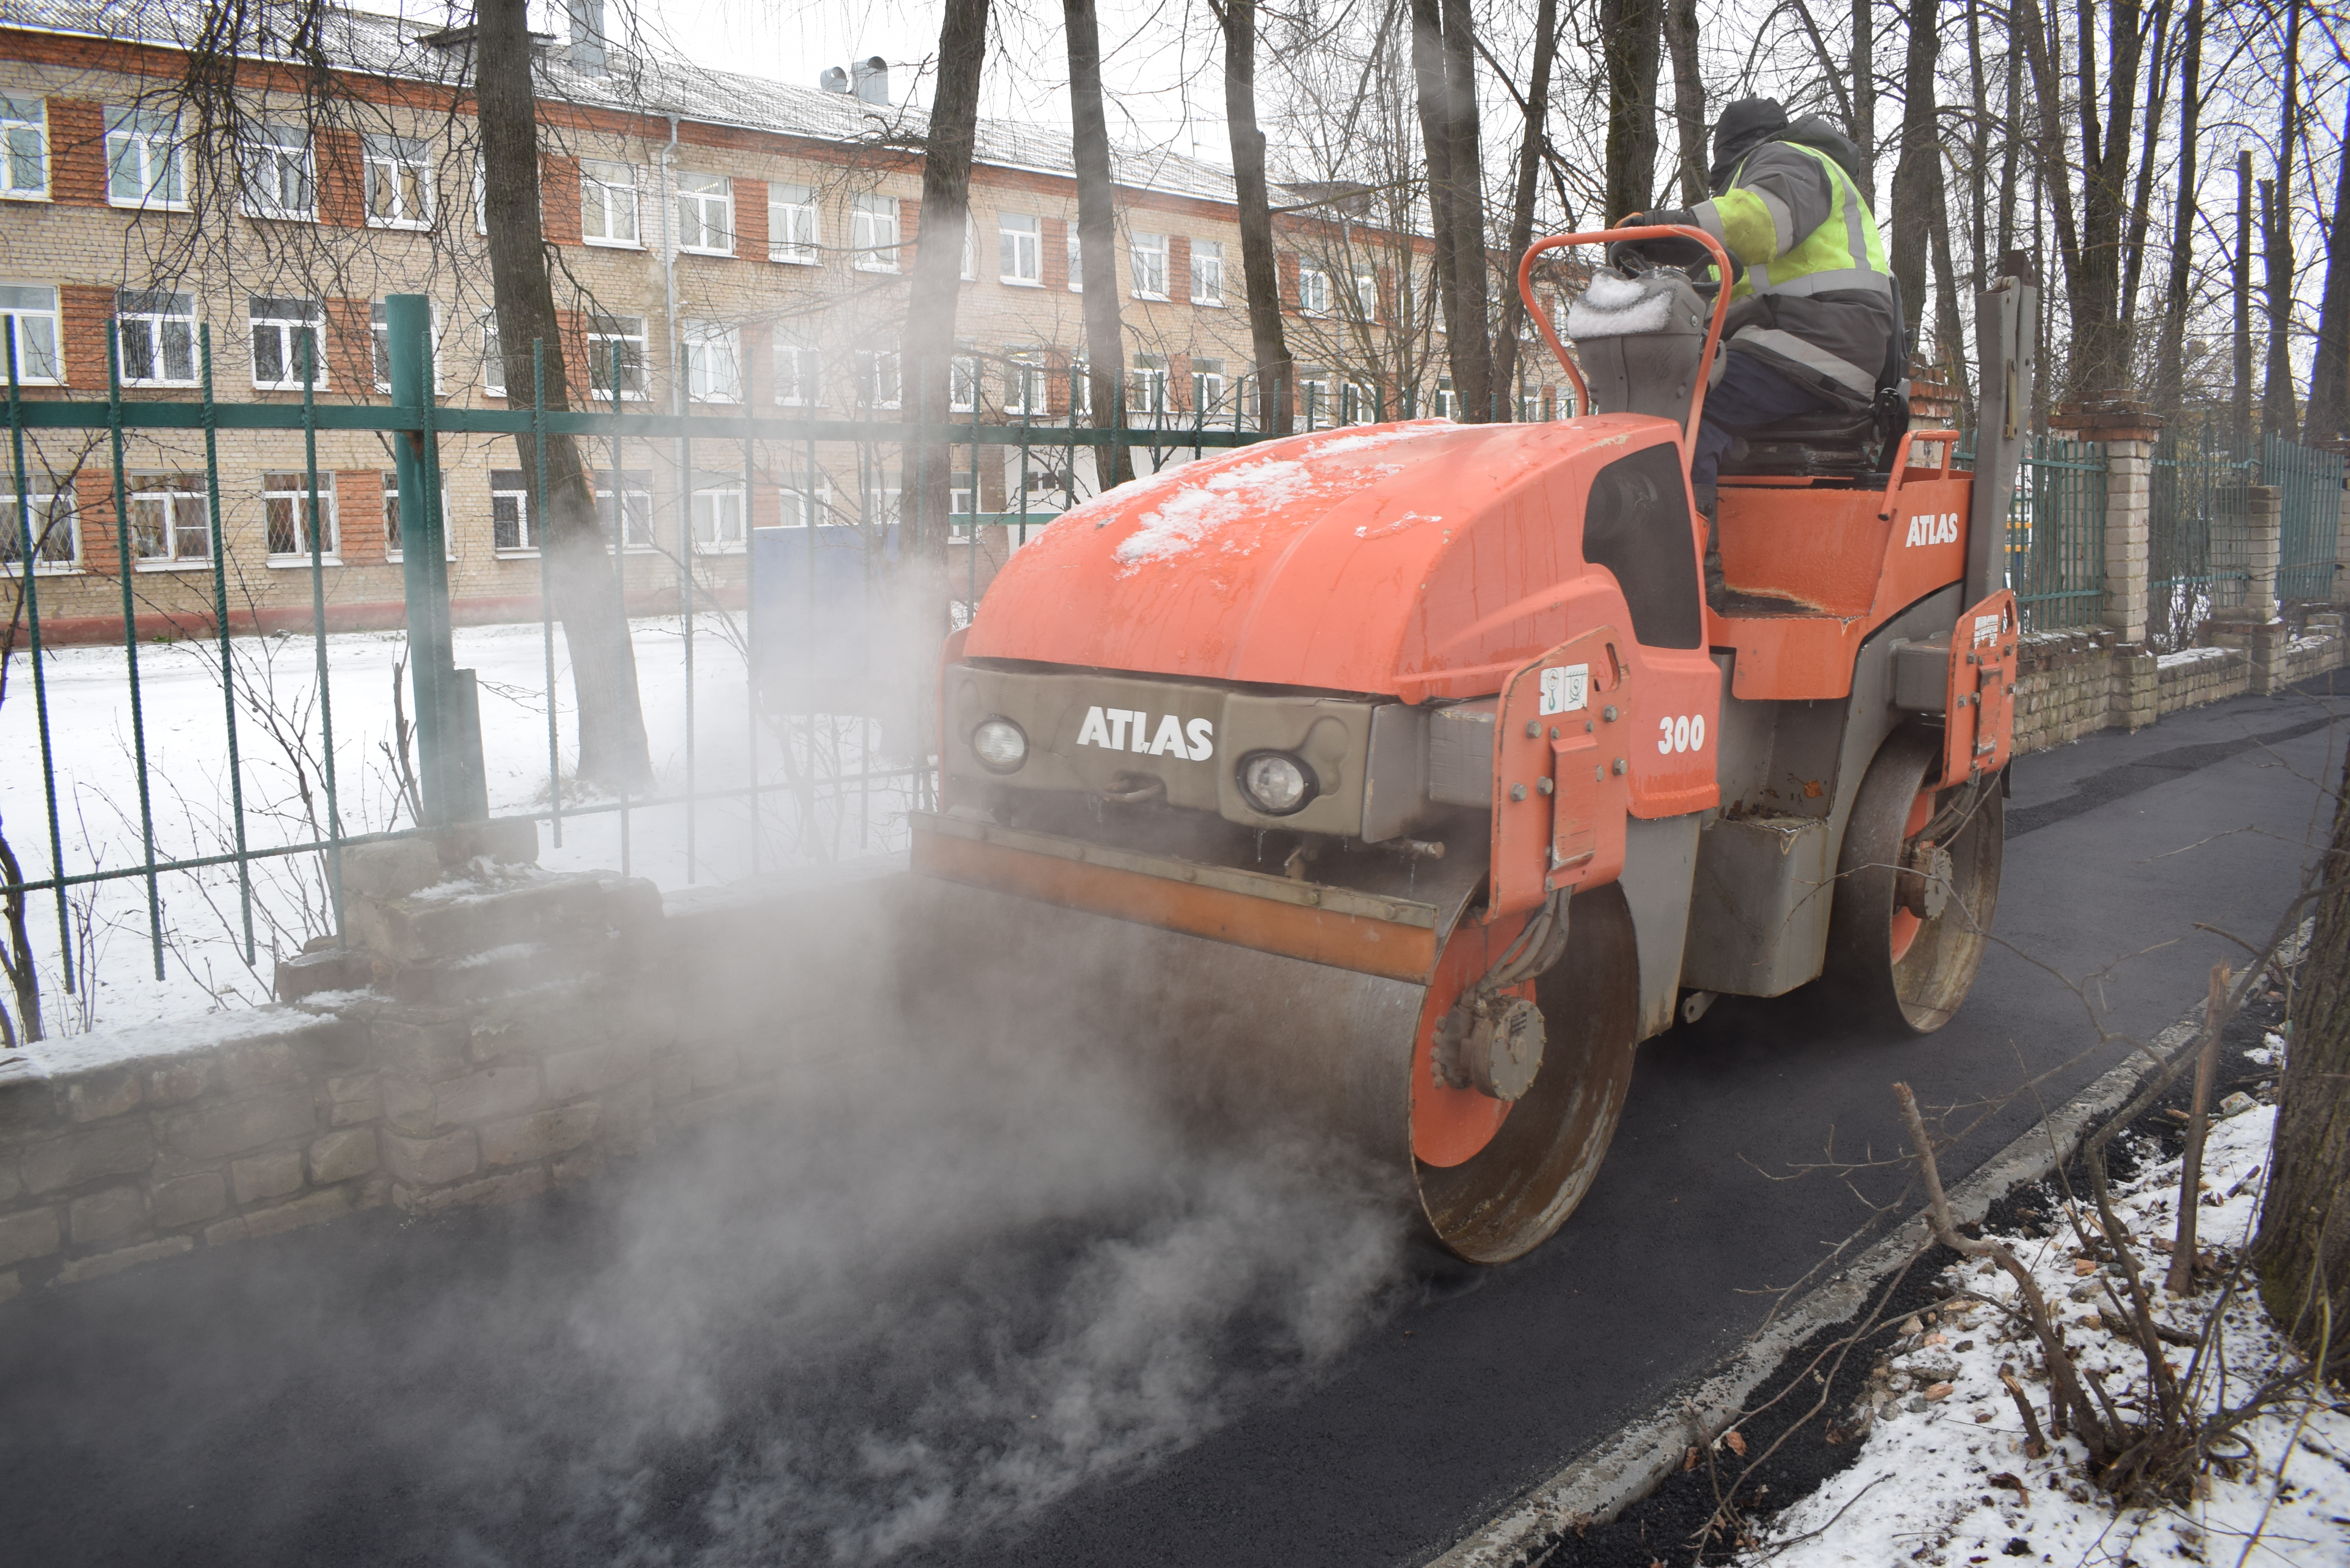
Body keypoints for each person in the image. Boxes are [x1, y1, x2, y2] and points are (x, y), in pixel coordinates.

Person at [1616, 97, 1900, 603]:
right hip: (1800, 340)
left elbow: (1756, 222)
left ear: (1732, 157)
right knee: (1676, 391)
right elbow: (1715, 296)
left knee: (1685, 413)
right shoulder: (1787, 175)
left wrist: (1668, 230)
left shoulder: (1790, 160)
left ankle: (1685, 589)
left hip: (1820, 344)